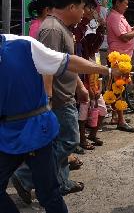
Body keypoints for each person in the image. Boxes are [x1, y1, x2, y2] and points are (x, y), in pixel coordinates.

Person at [0, 34, 122, 213]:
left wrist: (108, 71)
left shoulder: (22, 45)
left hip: (36, 132)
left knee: (48, 194)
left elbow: (67, 62)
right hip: (6, 134)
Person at [13, 0, 91, 200]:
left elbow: (66, 64)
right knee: (68, 141)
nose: (84, 12)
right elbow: (46, 66)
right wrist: (48, 97)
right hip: (56, 99)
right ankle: (25, 176)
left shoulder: (62, 27)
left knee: (57, 142)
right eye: (82, 8)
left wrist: (81, 88)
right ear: (72, 6)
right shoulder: (52, 30)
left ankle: (61, 182)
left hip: (64, 95)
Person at [106, 0, 134, 132]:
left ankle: (115, 116)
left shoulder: (119, 16)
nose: (127, 6)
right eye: (125, 3)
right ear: (117, 3)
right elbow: (125, 37)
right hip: (118, 57)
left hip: (123, 56)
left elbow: (129, 32)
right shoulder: (114, 17)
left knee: (116, 88)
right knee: (118, 88)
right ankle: (121, 120)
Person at [73, 0, 107, 150]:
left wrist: (101, 30)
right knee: (83, 107)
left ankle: (91, 134)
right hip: (80, 73)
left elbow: (92, 48)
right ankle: (81, 139)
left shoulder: (87, 27)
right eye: (89, 8)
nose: (92, 12)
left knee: (100, 107)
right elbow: (82, 52)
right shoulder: (77, 28)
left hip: (91, 70)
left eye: (94, 9)